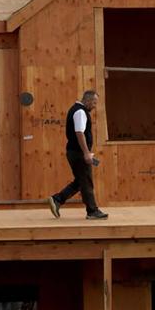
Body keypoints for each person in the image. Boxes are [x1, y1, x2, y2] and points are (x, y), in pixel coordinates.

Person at [48, 90, 109, 220]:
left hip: (75, 152)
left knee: (81, 181)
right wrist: (86, 153)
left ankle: (57, 199)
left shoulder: (77, 110)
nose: (94, 105)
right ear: (87, 100)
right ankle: (92, 211)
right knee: (86, 181)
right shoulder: (80, 112)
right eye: (94, 102)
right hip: (78, 153)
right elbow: (79, 133)